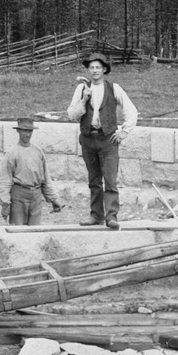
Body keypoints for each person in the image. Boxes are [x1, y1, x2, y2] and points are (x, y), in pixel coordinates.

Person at [66, 51, 138, 229]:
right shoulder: (81, 89)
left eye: (98, 67)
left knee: (110, 180)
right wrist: (84, 100)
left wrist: (124, 131)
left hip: (108, 140)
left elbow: (131, 110)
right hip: (88, 139)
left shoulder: (114, 88)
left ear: (104, 69)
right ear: (88, 70)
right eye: (91, 67)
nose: (95, 70)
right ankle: (96, 215)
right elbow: (72, 115)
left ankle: (111, 216)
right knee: (94, 180)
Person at [0, 118, 66, 225]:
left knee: (35, 229)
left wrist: (53, 199)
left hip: (36, 197)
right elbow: (5, 180)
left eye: (30, 131)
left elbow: (45, 178)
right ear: (18, 131)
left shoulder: (38, 152)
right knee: (18, 229)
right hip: (19, 196)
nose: (28, 134)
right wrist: (5, 203)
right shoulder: (12, 153)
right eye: (24, 131)